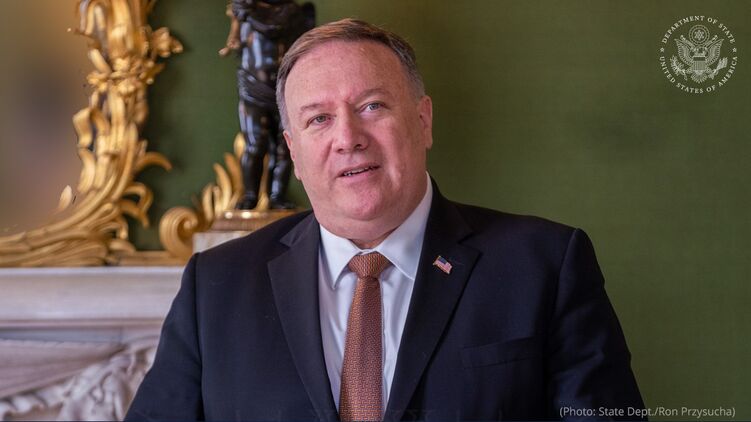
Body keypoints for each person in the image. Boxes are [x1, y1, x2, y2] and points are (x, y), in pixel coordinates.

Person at [126, 18, 645, 421]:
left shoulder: (544, 266)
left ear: (423, 121)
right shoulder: (216, 287)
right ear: (293, 151)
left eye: (372, 106)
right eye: (319, 119)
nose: (347, 138)